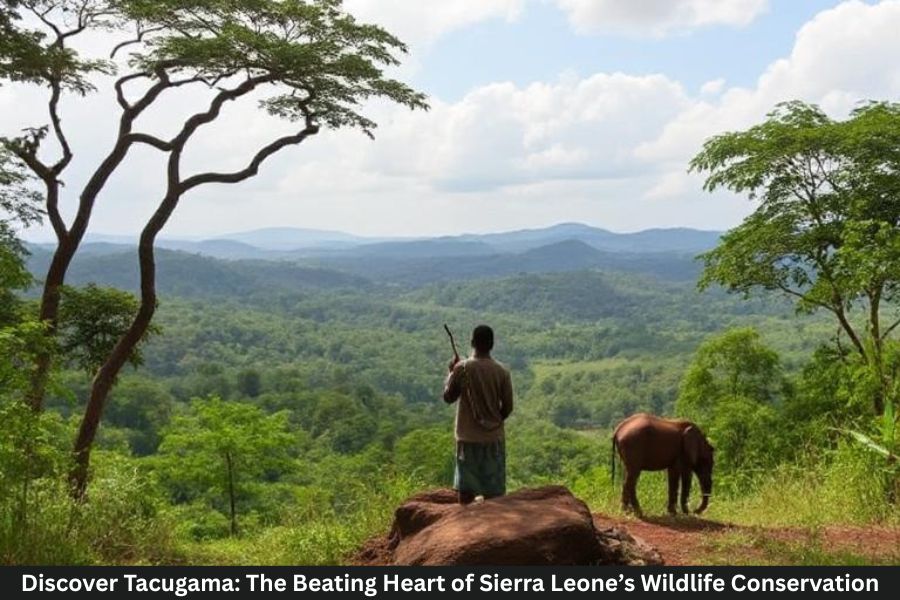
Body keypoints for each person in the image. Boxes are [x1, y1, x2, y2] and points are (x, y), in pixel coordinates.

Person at [442, 324, 514, 505]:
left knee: (466, 495)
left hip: (467, 440)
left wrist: (450, 373)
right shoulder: (502, 371)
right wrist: (493, 423)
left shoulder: (462, 369)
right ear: (492, 344)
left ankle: (467, 530)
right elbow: (508, 407)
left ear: (472, 342)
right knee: (494, 495)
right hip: (493, 441)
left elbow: (449, 397)